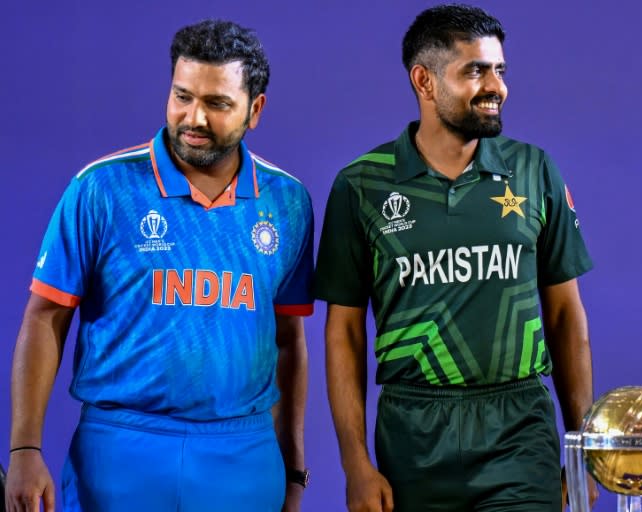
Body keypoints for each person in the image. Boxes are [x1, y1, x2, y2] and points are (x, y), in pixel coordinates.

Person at [5, 19, 313, 512]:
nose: (194, 117)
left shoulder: (289, 201)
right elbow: (44, 318)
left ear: (254, 110)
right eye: (182, 96)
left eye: (217, 104)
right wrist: (24, 449)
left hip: (244, 454)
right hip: (120, 449)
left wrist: (293, 467)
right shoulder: (100, 188)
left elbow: (288, 340)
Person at [315, 4, 599, 511]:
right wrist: (355, 465)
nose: (497, 86)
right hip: (413, 436)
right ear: (424, 81)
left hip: (519, 431)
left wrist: (583, 450)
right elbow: (344, 332)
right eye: (475, 70)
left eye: (500, 70)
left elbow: (565, 315)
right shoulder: (361, 185)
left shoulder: (533, 171)